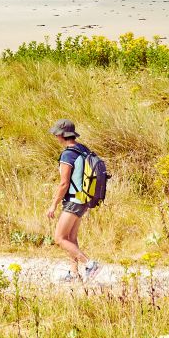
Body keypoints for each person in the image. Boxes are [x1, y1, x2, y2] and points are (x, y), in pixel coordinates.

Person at [46, 119, 100, 282]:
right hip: (83, 199)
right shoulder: (83, 149)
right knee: (70, 237)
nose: (55, 136)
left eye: (56, 134)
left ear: (62, 135)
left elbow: (64, 183)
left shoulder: (68, 154)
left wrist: (53, 205)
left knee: (60, 238)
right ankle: (74, 273)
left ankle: (90, 264)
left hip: (73, 201)